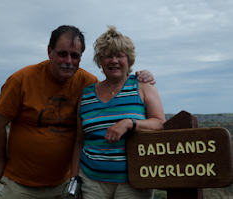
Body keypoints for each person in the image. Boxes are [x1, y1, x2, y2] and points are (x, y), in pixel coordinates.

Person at [0, 25, 156, 199]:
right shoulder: (21, 80)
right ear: (49, 52)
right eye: (62, 53)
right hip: (21, 185)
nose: (68, 60)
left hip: (64, 184)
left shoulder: (87, 83)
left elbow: (115, 89)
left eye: (75, 55)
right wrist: (0, 164)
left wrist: (144, 75)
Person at [70, 25, 166, 199]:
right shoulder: (86, 94)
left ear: (128, 59)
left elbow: (160, 124)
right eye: (107, 56)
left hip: (134, 182)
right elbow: (79, 142)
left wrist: (129, 123)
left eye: (119, 55)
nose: (114, 60)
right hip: (92, 182)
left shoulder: (142, 86)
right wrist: (73, 180)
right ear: (100, 61)